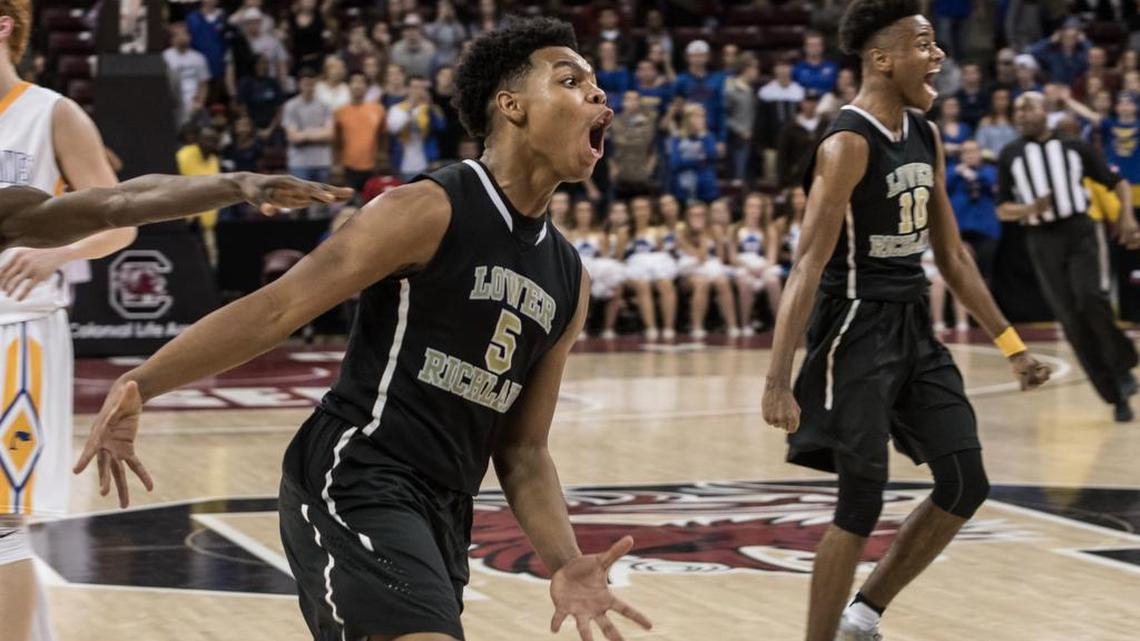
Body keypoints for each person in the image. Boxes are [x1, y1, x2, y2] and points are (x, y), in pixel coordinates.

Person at [73, 17, 652, 641]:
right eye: (571, 80)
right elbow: (278, 308)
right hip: (357, 473)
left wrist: (565, 563)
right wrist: (143, 381)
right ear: (510, 106)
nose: (599, 96)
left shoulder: (569, 276)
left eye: (597, 85)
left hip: (444, 508)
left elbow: (523, 449)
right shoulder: (429, 208)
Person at [760, 4, 1051, 641]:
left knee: (965, 481)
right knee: (861, 500)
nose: (939, 55)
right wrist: (779, 379)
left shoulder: (925, 131)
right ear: (882, 59)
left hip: (914, 325)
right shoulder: (846, 143)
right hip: (855, 328)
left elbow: (952, 254)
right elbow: (807, 263)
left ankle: (862, 615)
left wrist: (1012, 346)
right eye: (924, 44)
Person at [0, 2, 138, 637]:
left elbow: (122, 224)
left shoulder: (51, 112)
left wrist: (56, 252)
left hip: (18, 332)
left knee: (3, 521)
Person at [998, 91, 1139, 422]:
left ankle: (1122, 364)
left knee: (1090, 297)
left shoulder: (1074, 146)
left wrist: (1127, 217)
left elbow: (1115, 181)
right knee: (1071, 319)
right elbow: (1003, 209)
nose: (1020, 114)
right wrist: (1029, 208)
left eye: (1027, 107)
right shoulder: (1010, 155)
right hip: (1040, 240)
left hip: (1079, 231)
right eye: (1017, 110)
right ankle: (1114, 392)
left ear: (1045, 111)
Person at [621, 196, 678, 340]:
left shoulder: (658, 231)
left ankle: (668, 328)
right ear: (632, 212)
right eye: (638, 209)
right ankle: (650, 327)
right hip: (633, 270)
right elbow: (619, 258)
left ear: (651, 211)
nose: (642, 212)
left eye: (645, 208)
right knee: (643, 285)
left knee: (666, 284)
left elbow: (663, 253)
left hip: (656, 269)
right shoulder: (625, 233)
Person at [733, 192, 783, 334]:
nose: (753, 210)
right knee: (744, 282)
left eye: (757, 207)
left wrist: (761, 269)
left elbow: (772, 257)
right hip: (743, 267)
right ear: (744, 208)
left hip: (763, 266)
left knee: (773, 281)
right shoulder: (735, 229)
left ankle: (780, 324)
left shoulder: (769, 230)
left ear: (762, 210)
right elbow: (732, 256)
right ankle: (745, 324)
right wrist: (748, 269)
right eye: (750, 206)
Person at [386, 75, 446, 182]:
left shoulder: (430, 109)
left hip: (426, 163)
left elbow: (440, 128)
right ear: (407, 89)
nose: (418, 91)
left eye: (422, 88)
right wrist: (410, 110)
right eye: (415, 87)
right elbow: (393, 129)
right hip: (401, 162)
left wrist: (431, 108)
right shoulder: (397, 109)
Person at [335, 72, 386, 193]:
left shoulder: (378, 109)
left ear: (367, 87)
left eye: (361, 82)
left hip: (373, 166)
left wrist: (382, 159)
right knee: (351, 207)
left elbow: (383, 137)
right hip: (348, 167)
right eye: (354, 81)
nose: (357, 85)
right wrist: (336, 164)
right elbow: (336, 141)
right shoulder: (340, 112)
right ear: (348, 86)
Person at [283, 67, 335, 183]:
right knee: (300, 201)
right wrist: (318, 132)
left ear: (315, 84)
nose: (308, 87)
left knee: (323, 200)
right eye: (305, 83)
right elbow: (294, 137)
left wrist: (305, 133)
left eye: (311, 83)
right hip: (299, 163)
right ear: (299, 84)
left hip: (322, 162)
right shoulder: (291, 106)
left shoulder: (325, 106)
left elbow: (329, 135)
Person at [667, 103, 719, 203]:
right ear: (687, 119)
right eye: (696, 116)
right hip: (682, 189)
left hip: (705, 187)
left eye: (702, 116)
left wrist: (702, 135)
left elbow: (711, 156)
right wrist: (699, 160)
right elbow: (675, 163)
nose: (700, 120)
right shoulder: (677, 138)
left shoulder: (708, 137)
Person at [163, 22, 211, 125]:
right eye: (178, 34)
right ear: (172, 39)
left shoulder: (199, 58)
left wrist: (199, 103)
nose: (182, 37)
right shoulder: (165, 57)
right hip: (173, 100)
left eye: (185, 34)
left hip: (193, 102)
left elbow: (203, 85)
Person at [390, 14, 437, 79]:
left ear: (420, 30)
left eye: (414, 28)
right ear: (404, 31)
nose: (411, 32)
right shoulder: (396, 49)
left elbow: (433, 73)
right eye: (408, 29)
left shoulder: (430, 48)